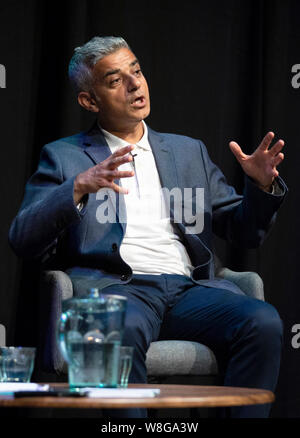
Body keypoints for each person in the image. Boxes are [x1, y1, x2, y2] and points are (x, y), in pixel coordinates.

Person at [9, 36, 287, 418]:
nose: (135, 84)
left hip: (189, 290)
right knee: (116, 331)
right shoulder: (64, 156)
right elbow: (23, 239)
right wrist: (76, 188)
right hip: (118, 291)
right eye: (114, 80)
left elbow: (244, 232)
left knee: (263, 320)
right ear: (90, 101)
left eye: (136, 70)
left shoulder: (188, 151)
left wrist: (259, 188)